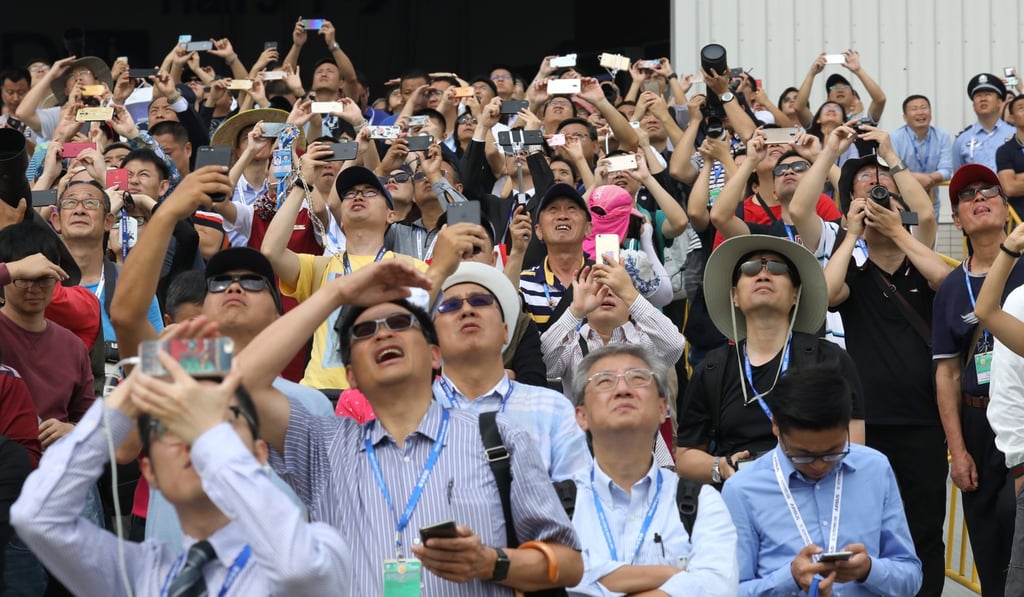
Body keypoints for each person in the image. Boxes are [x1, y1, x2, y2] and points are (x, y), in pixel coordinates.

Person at [235, 259, 584, 595]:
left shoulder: (499, 436)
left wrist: (490, 562)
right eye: (364, 331)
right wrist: (336, 293)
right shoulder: (324, 446)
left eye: (400, 323)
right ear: (350, 376)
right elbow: (239, 382)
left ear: (434, 354)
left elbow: (570, 564)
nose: (383, 334)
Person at [10, 361, 352, 595]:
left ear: (259, 454)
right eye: (170, 425)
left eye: (220, 419)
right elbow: (37, 517)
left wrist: (209, 436)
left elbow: (299, 568)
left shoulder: (319, 546)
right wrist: (128, 397)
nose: (194, 437)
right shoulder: (142, 572)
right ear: (150, 473)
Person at [824, 144, 953, 597]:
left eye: (889, 200)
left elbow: (945, 281)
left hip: (923, 424)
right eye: (870, 201)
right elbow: (826, 295)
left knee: (925, 531)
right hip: (867, 425)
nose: (880, 206)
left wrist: (900, 233)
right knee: (869, 531)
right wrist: (850, 235)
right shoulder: (854, 276)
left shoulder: (922, 269)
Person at [675, 234, 865, 486]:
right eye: (750, 268)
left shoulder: (830, 360)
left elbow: (855, 448)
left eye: (777, 268)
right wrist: (720, 466)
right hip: (742, 496)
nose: (763, 274)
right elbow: (685, 456)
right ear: (734, 296)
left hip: (816, 489)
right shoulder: (712, 369)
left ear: (795, 294)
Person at [721, 365, 922, 596]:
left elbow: (911, 576)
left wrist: (869, 570)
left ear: (847, 426)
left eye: (833, 452)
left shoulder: (874, 469)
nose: (819, 465)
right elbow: (728, 591)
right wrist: (789, 579)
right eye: (803, 455)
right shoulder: (742, 490)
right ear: (776, 425)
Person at [568, 344, 738, 596]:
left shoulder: (701, 502)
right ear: (581, 416)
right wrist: (675, 577)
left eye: (637, 378)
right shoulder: (558, 504)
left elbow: (717, 588)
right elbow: (544, 581)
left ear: (662, 409)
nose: (623, 389)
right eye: (605, 381)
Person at [932, 164, 1019, 596]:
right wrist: (959, 450)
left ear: (1006, 208)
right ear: (956, 219)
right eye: (966, 195)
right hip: (977, 424)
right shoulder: (951, 287)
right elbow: (947, 372)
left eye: (989, 191)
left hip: (1021, 416)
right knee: (989, 547)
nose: (979, 198)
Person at [433, 261, 590, 481]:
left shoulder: (553, 409)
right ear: (432, 342)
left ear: (506, 332)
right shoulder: (416, 411)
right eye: (450, 305)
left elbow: (580, 495)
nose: (467, 310)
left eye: (480, 301)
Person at [519, 183, 593, 333]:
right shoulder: (523, 283)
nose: (563, 216)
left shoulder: (602, 279)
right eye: (553, 209)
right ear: (539, 231)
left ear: (588, 228)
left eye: (572, 209)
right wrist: (516, 252)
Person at [890, 95, 954, 221]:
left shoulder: (942, 136)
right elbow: (892, 169)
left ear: (930, 113)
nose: (920, 112)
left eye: (924, 108)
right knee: (908, 230)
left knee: (930, 232)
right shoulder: (895, 138)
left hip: (931, 200)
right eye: (914, 109)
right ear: (905, 117)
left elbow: (946, 170)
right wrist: (917, 179)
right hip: (904, 201)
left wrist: (929, 179)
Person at [953, 73, 1015, 175]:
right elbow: (958, 176)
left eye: (988, 94)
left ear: (1000, 102)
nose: (983, 99)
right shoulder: (962, 140)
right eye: (978, 96)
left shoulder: (1015, 134)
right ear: (973, 105)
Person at [995, 94, 1024, 217]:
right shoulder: (1005, 151)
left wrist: (1019, 178)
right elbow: (1009, 188)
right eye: (1021, 108)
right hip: (1019, 220)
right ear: (1012, 118)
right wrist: (1013, 182)